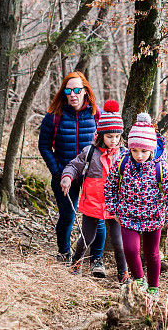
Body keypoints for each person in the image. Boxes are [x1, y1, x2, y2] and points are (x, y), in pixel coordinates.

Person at [104, 112, 168, 296]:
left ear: (151, 150)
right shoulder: (122, 162)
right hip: (128, 215)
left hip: (153, 216)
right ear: (129, 148)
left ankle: (153, 288)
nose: (139, 155)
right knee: (130, 249)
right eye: (135, 150)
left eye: (144, 151)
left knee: (152, 253)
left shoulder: (160, 167)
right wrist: (113, 208)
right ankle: (139, 279)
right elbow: (110, 186)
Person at [37, 72, 104, 268]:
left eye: (77, 90)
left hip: (92, 176)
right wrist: (57, 171)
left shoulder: (96, 114)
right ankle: (64, 252)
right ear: (64, 92)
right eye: (69, 90)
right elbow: (43, 146)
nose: (73, 94)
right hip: (64, 174)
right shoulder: (54, 116)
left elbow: (107, 144)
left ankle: (96, 260)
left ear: (85, 91)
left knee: (96, 217)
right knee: (67, 216)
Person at [60, 100, 129, 281]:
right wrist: (67, 177)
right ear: (100, 135)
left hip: (116, 206)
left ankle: (123, 273)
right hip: (92, 202)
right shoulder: (90, 152)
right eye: (109, 137)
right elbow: (74, 166)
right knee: (86, 237)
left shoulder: (125, 155)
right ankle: (76, 262)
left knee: (118, 241)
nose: (113, 140)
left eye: (116, 137)